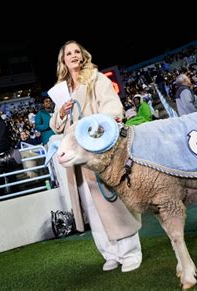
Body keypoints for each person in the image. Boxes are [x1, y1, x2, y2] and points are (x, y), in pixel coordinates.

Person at [49, 40, 142, 272]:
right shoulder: (62, 89)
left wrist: (90, 128)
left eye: (76, 51)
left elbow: (113, 108)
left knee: (111, 201)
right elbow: (55, 125)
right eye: (68, 53)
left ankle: (129, 252)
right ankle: (110, 252)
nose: (73, 55)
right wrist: (61, 113)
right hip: (75, 156)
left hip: (97, 151)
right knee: (91, 207)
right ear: (63, 60)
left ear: (83, 56)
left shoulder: (95, 79)